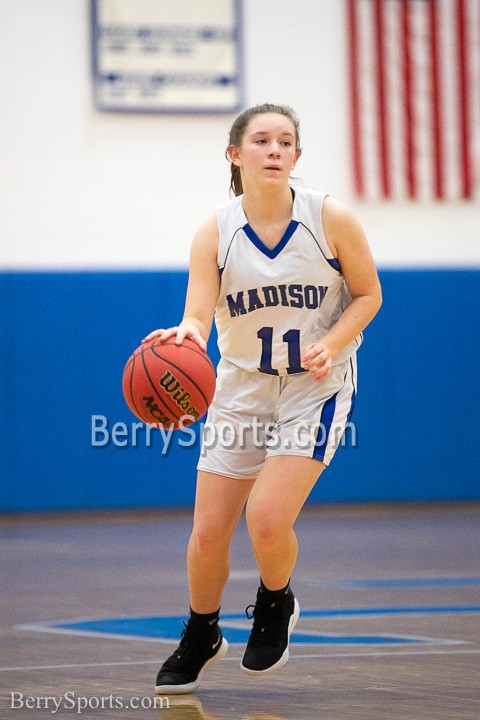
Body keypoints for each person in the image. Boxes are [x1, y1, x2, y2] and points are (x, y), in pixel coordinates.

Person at [145, 103, 382, 694]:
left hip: (314, 388)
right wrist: (185, 336)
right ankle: (202, 631)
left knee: (268, 519)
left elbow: (368, 296)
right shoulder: (215, 231)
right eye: (261, 140)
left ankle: (275, 600)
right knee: (207, 533)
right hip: (241, 388)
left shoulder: (331, 218)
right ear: (236, 154)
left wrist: (332, 342)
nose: (274, 150)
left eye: (285, 142)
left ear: (296, 159)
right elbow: (198, 313)